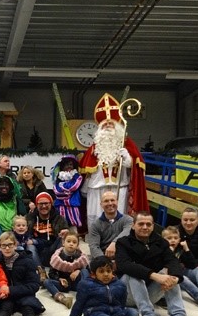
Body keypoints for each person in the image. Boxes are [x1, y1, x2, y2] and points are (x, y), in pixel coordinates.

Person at [115, 211, 192, 316]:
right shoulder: (123, 242)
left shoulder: (160, 242)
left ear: (152, 226)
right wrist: (154, 275)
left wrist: (175, 278)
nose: (145, 227)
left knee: (170, 278)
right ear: (133, 226)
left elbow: (172, 260)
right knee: (133, 273)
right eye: (141, 224)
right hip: (126, 294)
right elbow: (124, 265)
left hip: (148, 294)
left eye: (148, 224)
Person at [79, 93, 148, 226]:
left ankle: (119, 240)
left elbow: (136, 166)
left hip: (119, 187)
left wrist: (128, 158)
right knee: (96, 216)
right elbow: (86, 169)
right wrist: (85, 188)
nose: (108, 127)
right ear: (100, 129)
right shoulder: (94, 147)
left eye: (111, 125)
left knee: (118, 216)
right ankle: (96, 238)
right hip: (97, 188)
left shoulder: (127, 144)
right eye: (105, 125)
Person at [64, 256, 139, 316]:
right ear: (94, 273)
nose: (106, 274)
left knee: (133, 313)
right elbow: (79, 304)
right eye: (101, 271)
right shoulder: (86, 285)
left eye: (108, 271)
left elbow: (122, 304)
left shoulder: (120, 285)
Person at [161, 226, 198, 313]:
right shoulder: (160, 249)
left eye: (175, 238)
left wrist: (187, 249)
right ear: (163, 240)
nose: (173, 240)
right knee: (181, 278)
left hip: (176, 278)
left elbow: (192, 264)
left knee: (183, 278)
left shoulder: (180, 250)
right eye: (169, 238)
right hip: (162, 278)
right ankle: (162, 298)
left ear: (179, 239)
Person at [44, 229, 89, 308]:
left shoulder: (81, 256)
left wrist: (78, 270)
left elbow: (89, 270)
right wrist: (59, 279)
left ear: (77, 245)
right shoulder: (57, 257)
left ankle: (84, 294)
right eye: (68, 241)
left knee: (84, 271)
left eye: (74, 242)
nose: (71, 244)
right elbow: (51, 273)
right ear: (63, 243)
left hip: (77, 283)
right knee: (47, 281)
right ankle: (62, 299)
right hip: (65, 284)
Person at [85, 191, 133, 261]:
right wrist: (105, 262)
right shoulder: (95, 225)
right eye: (106, 201)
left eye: (112, 200)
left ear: (117, 202)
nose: (110, 203)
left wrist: (114, 243)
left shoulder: (128, 220)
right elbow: (94, 247)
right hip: (103, 258)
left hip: (123, 257)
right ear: (101, 204)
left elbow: (127, 232)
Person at [26, 192, 69, 268]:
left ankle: (57, 268)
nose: (44, 206)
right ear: (36, 205)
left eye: (46, 203)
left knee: (63, 239)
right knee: (29, 246)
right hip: (36, 249)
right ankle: (40, 271)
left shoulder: (59, 218)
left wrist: (65, 232)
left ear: (51, 204)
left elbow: (67, 231)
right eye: (40, 204)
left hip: (53, 248)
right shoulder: (29, 218)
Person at [51, 155, 83, 228]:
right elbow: (57, 191)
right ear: (62, 166)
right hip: (60, 206)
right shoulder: (58, 176)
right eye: (66, 164)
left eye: (71, 164)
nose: (69, 166)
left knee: (73, 227)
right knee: (60, 226)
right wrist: (67, 190)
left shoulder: (77, 176)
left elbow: (73, 187)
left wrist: (63, 186)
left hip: (73, 205)